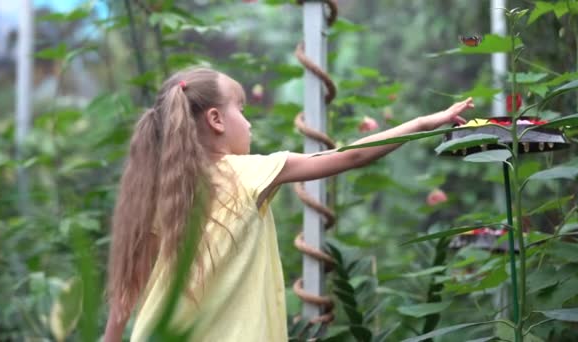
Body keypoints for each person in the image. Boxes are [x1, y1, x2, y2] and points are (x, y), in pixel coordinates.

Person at [103, 67, 473, 342]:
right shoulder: (252, 173)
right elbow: (350, 157)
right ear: (216, 120)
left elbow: (128, 286)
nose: (248, 124)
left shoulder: (166, 191)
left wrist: (111, 337)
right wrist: (425, 122)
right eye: (242, 111)